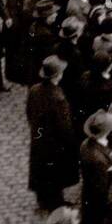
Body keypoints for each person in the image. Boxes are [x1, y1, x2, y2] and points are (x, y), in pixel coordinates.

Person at [27, 54, 79, 212]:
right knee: (55, 172)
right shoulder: (59, 97)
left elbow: (29, 112)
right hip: (55, 141)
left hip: (39, 136)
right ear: (58, 75)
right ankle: (56, 202)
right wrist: (71, 143)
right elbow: (64, 126)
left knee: (41, 168)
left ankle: (42, 199)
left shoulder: (35, 90)